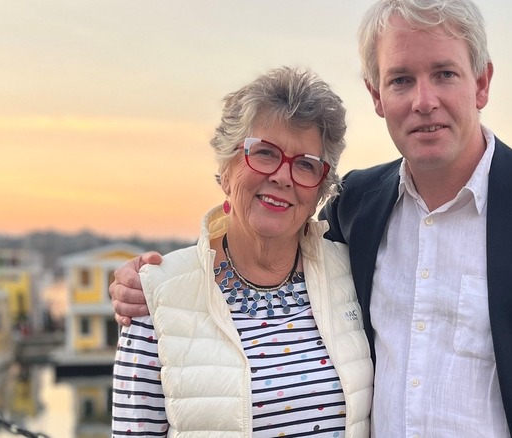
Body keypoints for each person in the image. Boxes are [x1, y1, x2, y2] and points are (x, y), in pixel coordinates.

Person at [111, 0, 512, 436]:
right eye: (401, 79)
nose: (423, 99)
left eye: (444, 73)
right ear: (377, 97)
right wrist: (162, 278)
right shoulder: (358, 207)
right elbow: (267, 232)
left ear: (481, 83)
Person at [110, 67, 373, 437]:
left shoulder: (352, 275)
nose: (283, 176)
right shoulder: (158, 297)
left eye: (305, 165)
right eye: (264, 153)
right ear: (226, 166)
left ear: (320, 190)